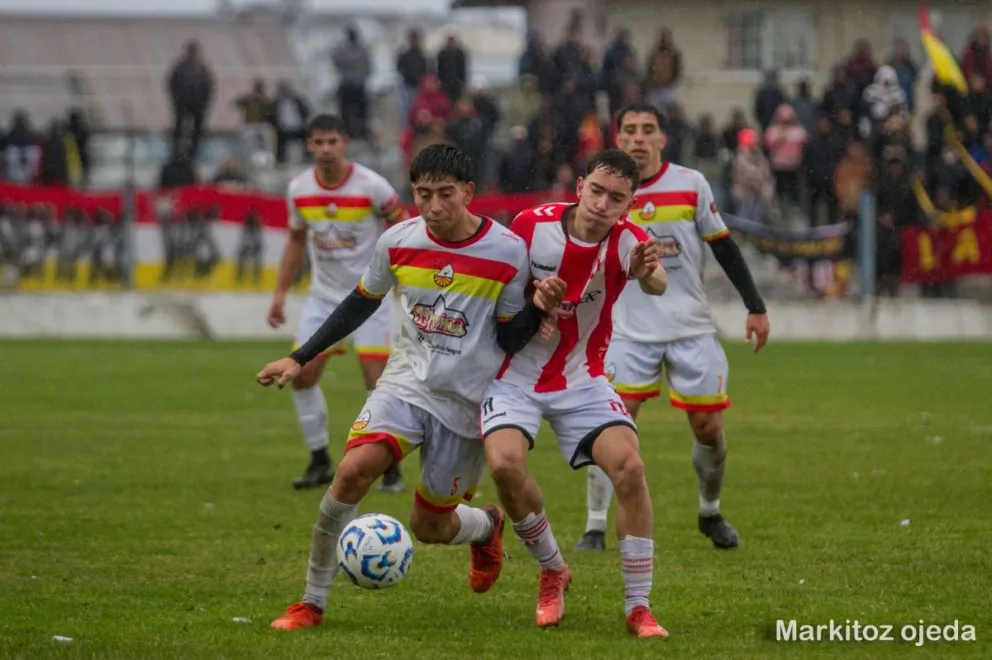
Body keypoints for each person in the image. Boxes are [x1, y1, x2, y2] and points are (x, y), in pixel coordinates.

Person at [257, 144, 567, 631]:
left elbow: (509, 337)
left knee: (430, 528)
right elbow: (359, 304)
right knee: (352, 473)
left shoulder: (508, 251)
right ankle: (312, 603)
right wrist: (300, 357)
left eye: (446, 194)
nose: (434, 206)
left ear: (468, 192)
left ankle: (487, 525)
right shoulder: (398, 241)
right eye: (423, 194)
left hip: (465, 403)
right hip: (404, 385)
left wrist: (538, 312)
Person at [481, 149, 670, 638]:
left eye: (617, 198)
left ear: (628, 205)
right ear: (580, 185)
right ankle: (553, 569)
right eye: (598, 191)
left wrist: (646, 269)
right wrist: (533, 303)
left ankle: (638, 607)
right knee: (503, 465)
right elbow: (501, 294)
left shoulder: (630, 240)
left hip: (582, 377)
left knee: (630, 467)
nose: (603, 204)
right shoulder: (529, 225)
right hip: (514, 375)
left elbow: (657, 282)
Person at [577, 103, 770, 553]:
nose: (639, 138)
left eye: (648, 130)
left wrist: (755, 306)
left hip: (690, 328)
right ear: (618, 138)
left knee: (708, 427)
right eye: (630, 130)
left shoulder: (690, 184)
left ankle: (710, 510)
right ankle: (593, 525)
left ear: (663, 138)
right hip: (625, 331)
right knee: (609, 427)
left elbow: (723, 247)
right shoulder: (602, 191)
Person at [267, 114, 408, 491]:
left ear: (344, 142)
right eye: (318, 142)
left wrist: (402, 279)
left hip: (370, 296)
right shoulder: (298, 189)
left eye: (332, 141)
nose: (326, 149)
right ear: (309, 146)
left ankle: (388, 463)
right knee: (302, 375)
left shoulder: (372, 186)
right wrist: (280, 293)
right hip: (323, 298)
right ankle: (319, 460)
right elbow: (296, 241)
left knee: (377, 382)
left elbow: (402, 225)